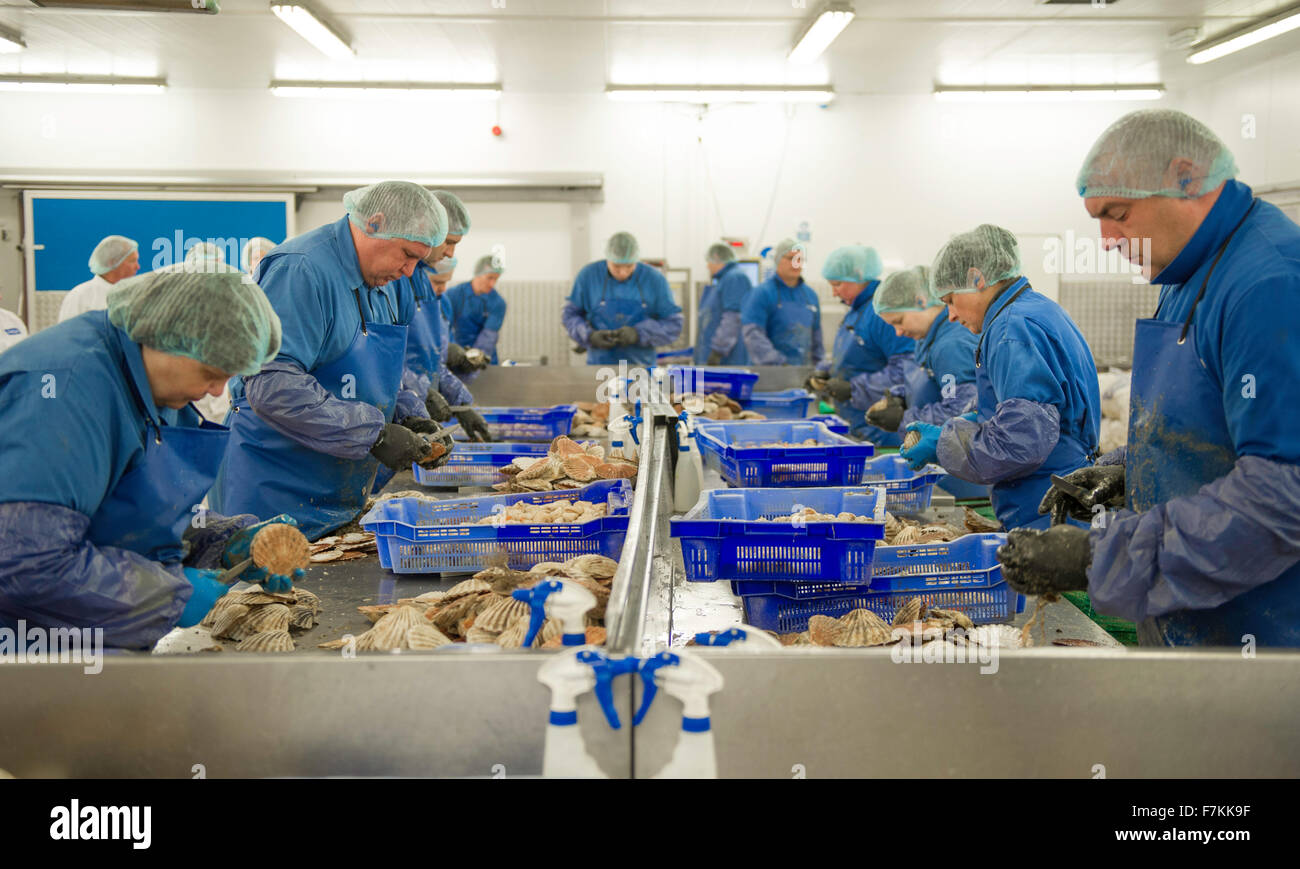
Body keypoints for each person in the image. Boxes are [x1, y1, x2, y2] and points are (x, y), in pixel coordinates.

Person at [1000, 109, 1300, 646]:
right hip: (1186, 618)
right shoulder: (1186, 275)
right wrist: (1130, 470)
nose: (1107, 238)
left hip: (1261, 636)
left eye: (1117, 213)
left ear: (1187, 178)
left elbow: (1283, 492)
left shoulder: (1268, 284)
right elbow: (1207, 432)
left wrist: (1101, 556)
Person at [0, 269, 300, 650]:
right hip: (28, 657)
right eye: (211, 374)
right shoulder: (63, 393)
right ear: (166, 338)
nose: (216, 391)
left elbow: (126, 510)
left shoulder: (154, 387)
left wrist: (225, 542)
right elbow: (25, 565)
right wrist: (167, 596)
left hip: (100, 643)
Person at [209, 181, 455, 540]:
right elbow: (272, 385)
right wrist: (374, 433)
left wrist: (410, 415)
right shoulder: (302, 270)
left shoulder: (389, 281)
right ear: (374, 222)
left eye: (419, 260)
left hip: (339, 493)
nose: (409, 271)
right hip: (273, 491)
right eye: (406, 254)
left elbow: (383, 374)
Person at [899, 224, 1100, 531]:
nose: (950, 315)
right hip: (1058, 495)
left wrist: (943, 445)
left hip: (1047, 509)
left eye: (951, 299)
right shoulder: (1035, 310)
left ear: (977, 279)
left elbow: (1021, 442)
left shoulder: (1011, 330)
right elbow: (1010, 412)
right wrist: (956, 426)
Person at [806, 245, 915, 445]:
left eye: (837, 284)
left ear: (859, 276)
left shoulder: (882, 312)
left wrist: (853, 388)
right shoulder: (857, 309)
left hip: (881, 430)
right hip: (857, 424)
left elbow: (906, 370)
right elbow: (858, 356)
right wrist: (827, 371)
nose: (834, 292)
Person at [868, 265, 978, 433]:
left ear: (921, 301)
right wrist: (900, 397)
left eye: (899, 321)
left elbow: (961, 411)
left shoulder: (951, 346)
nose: (898, 332)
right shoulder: (926, 338)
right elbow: (933, 382)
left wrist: (905, 420)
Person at [562, 231, 683, 367]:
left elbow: (674, 323)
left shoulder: (654, 280)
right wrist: (589, 336)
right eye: (617, 266)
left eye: (629, 266)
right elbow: (570, 315)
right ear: (608, 259)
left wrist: (638, 334)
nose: (623, 272)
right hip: (598, 367)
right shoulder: (588, 276)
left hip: (642, 367)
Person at [742, 239, 823, 366]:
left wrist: (820, 369)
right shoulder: (762, 294)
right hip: (769, 372)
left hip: (802, 372)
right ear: (778, 260)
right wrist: (780, 363)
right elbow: (753, 335)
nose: (796, 264)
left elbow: (817, 337)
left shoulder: (810, 296)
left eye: (800, 259)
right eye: (791, 258)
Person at [445, 254, 506, 379]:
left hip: (484, 359)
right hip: (457, 356)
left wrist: (474, 359)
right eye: (489, 278)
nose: (492, 283)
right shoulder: (454, 295)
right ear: (478, 274)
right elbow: (444, 328)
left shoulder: (498, 303)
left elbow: (488, 336)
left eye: (496, 279)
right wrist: (456, 356)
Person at [57, 235, 140, 322]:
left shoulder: (135, 294)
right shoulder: (80, 296)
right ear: (112, 262)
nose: (137, 267)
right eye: (132, 261)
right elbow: (68, 333)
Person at [694, 242, 750, 366]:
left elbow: (733, 318)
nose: (708, 266)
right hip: (719, 357)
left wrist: (718, 351)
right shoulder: (723, 281)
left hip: (728, 359)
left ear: (717, 258)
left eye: (709, 262)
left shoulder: (735, 278)